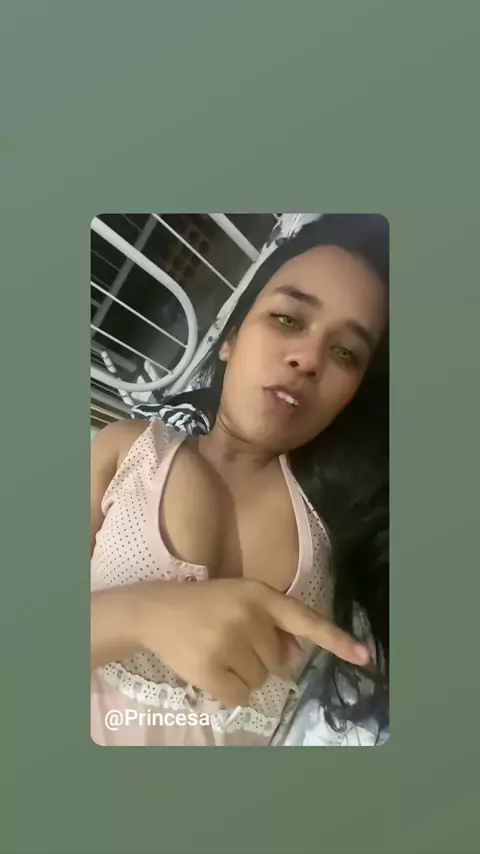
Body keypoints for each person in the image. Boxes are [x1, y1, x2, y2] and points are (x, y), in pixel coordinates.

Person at [91, 213, 389, 746]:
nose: (308, 359)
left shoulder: (339, 523)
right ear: (230, 338)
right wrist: (142, 615)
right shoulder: (124, 450)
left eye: (346, 352)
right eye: (288, 319)